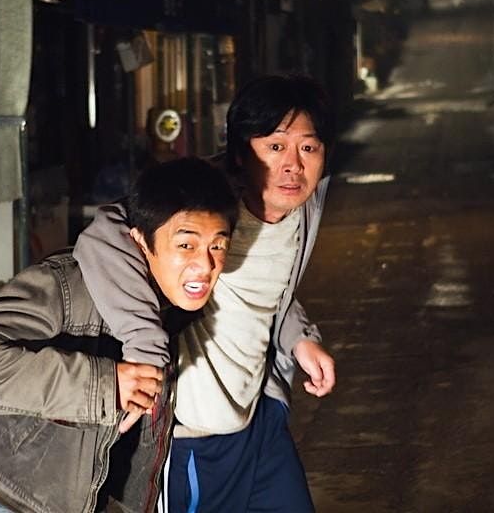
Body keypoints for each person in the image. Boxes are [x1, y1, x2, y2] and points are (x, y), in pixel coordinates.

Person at [73, 74, 337, 512]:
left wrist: (298, 337)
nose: (293, 164)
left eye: (308, 148)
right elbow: (102, 235)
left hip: (259, 417)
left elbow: (266, 290)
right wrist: (145, 346)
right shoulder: (199, 198)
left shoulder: (302, 210)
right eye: (275, 146)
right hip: (194, 436)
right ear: (240, 152)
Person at [0, 157, 239, 513]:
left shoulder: (178, 304)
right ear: (140, 240)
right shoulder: (67, 288)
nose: (205, 265)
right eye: (186, 246)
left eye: (218, 246)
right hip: (7, 490)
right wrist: (104, 385)